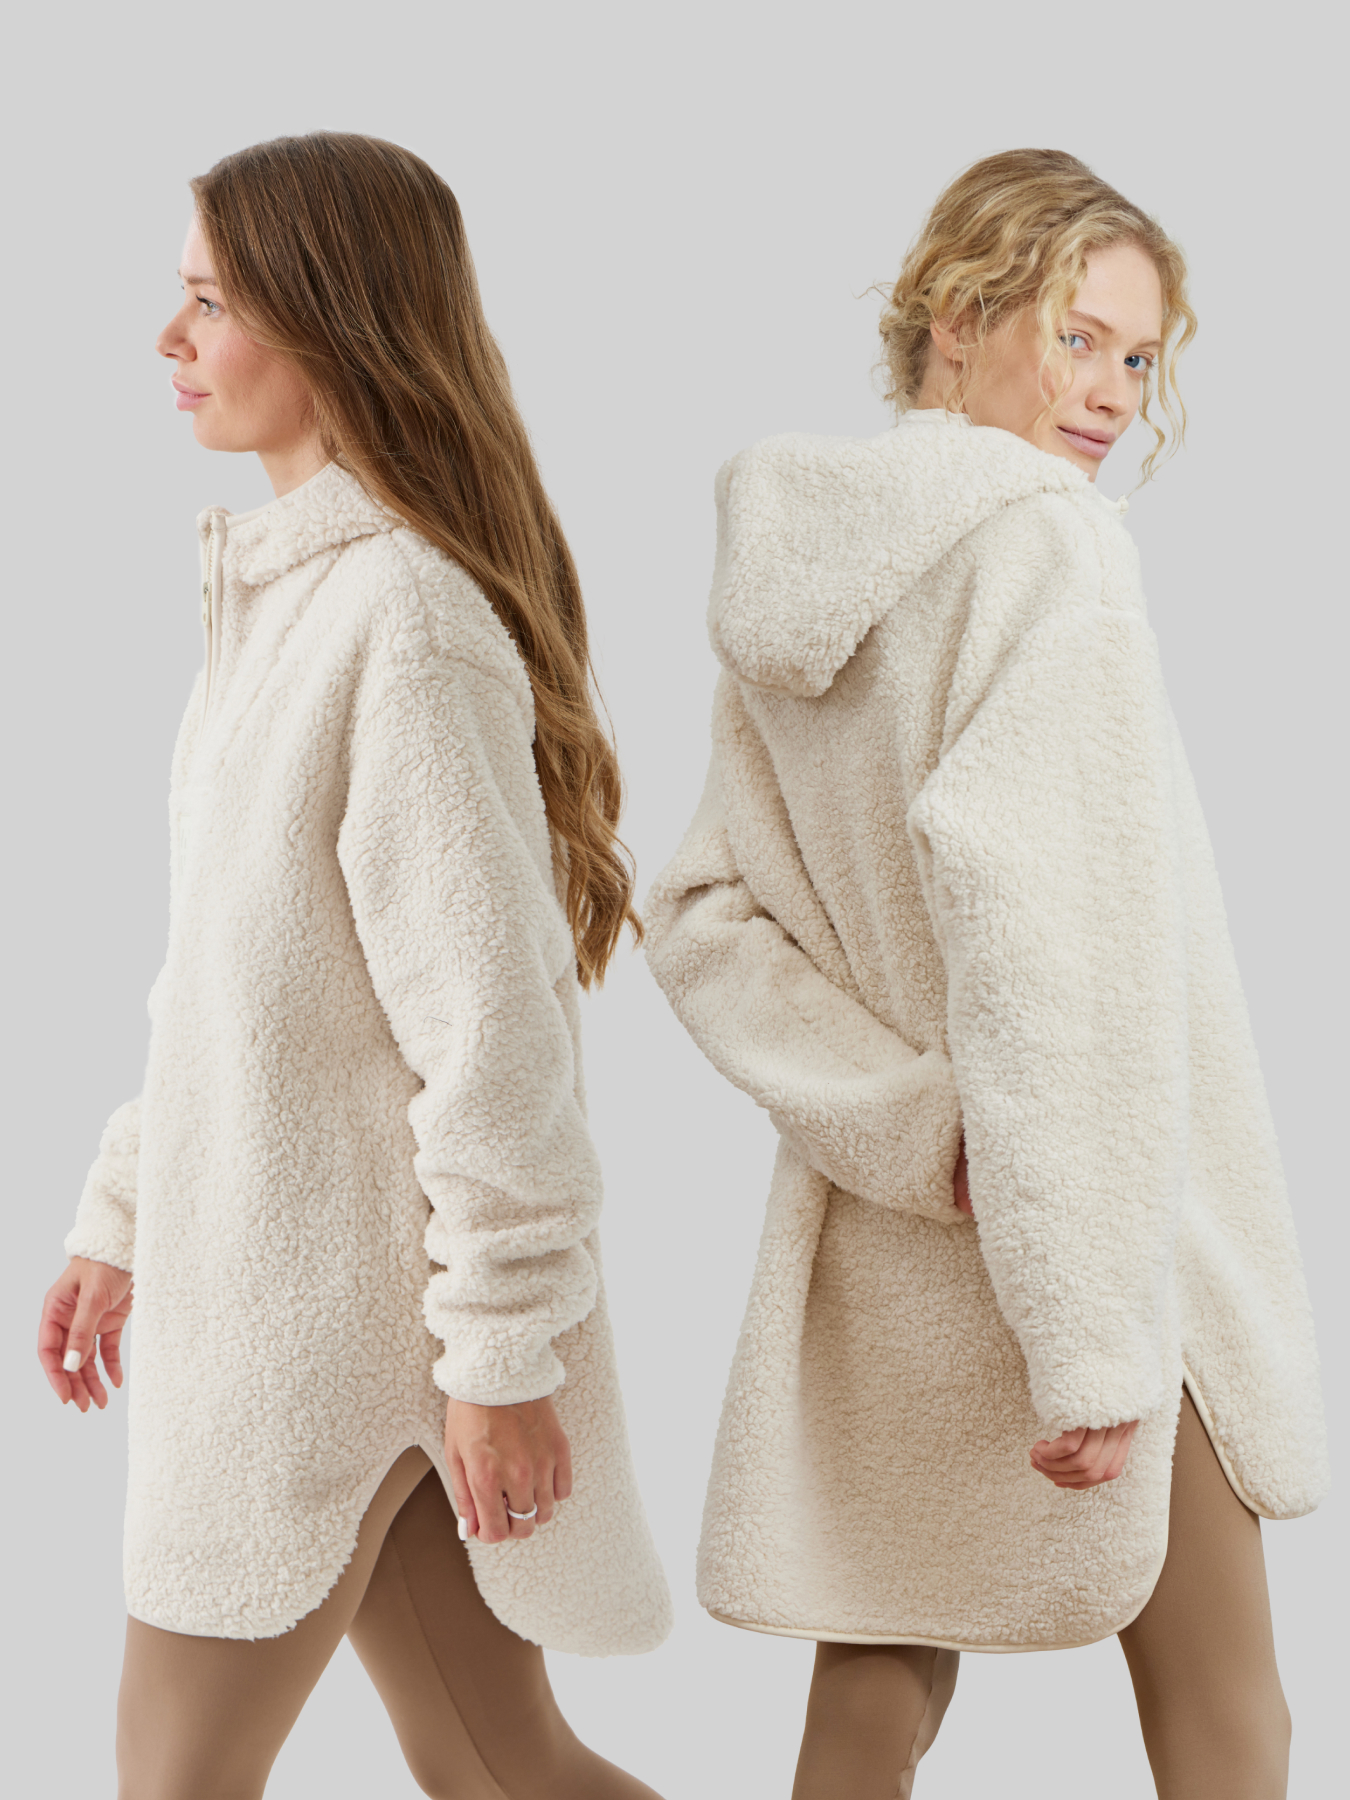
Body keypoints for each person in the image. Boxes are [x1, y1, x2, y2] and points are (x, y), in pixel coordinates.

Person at [644, 148, 1327, 1800]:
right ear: (956, 320)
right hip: (1100, 1233)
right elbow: (1054, 959)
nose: (1110, 395)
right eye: (1076, 339)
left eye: (1138, 358)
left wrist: (901, 1120)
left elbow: (703, 916)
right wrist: (1088, 1327)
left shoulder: (800, 589)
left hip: (898, 1240)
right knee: (1228, 1720)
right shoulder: (1047, 555)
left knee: (874, 1703)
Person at [37, 132, 670, 1800]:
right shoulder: (287, 609)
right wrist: (123, 1213)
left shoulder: (406, 625)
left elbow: (494, 1036)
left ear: (329, 322)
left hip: (333, 1339)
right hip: (289, 1306)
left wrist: (502, 1360)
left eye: (208, 302)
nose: (168, 339)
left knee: (178, 1780)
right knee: (507, 1765)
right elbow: (224, 989)